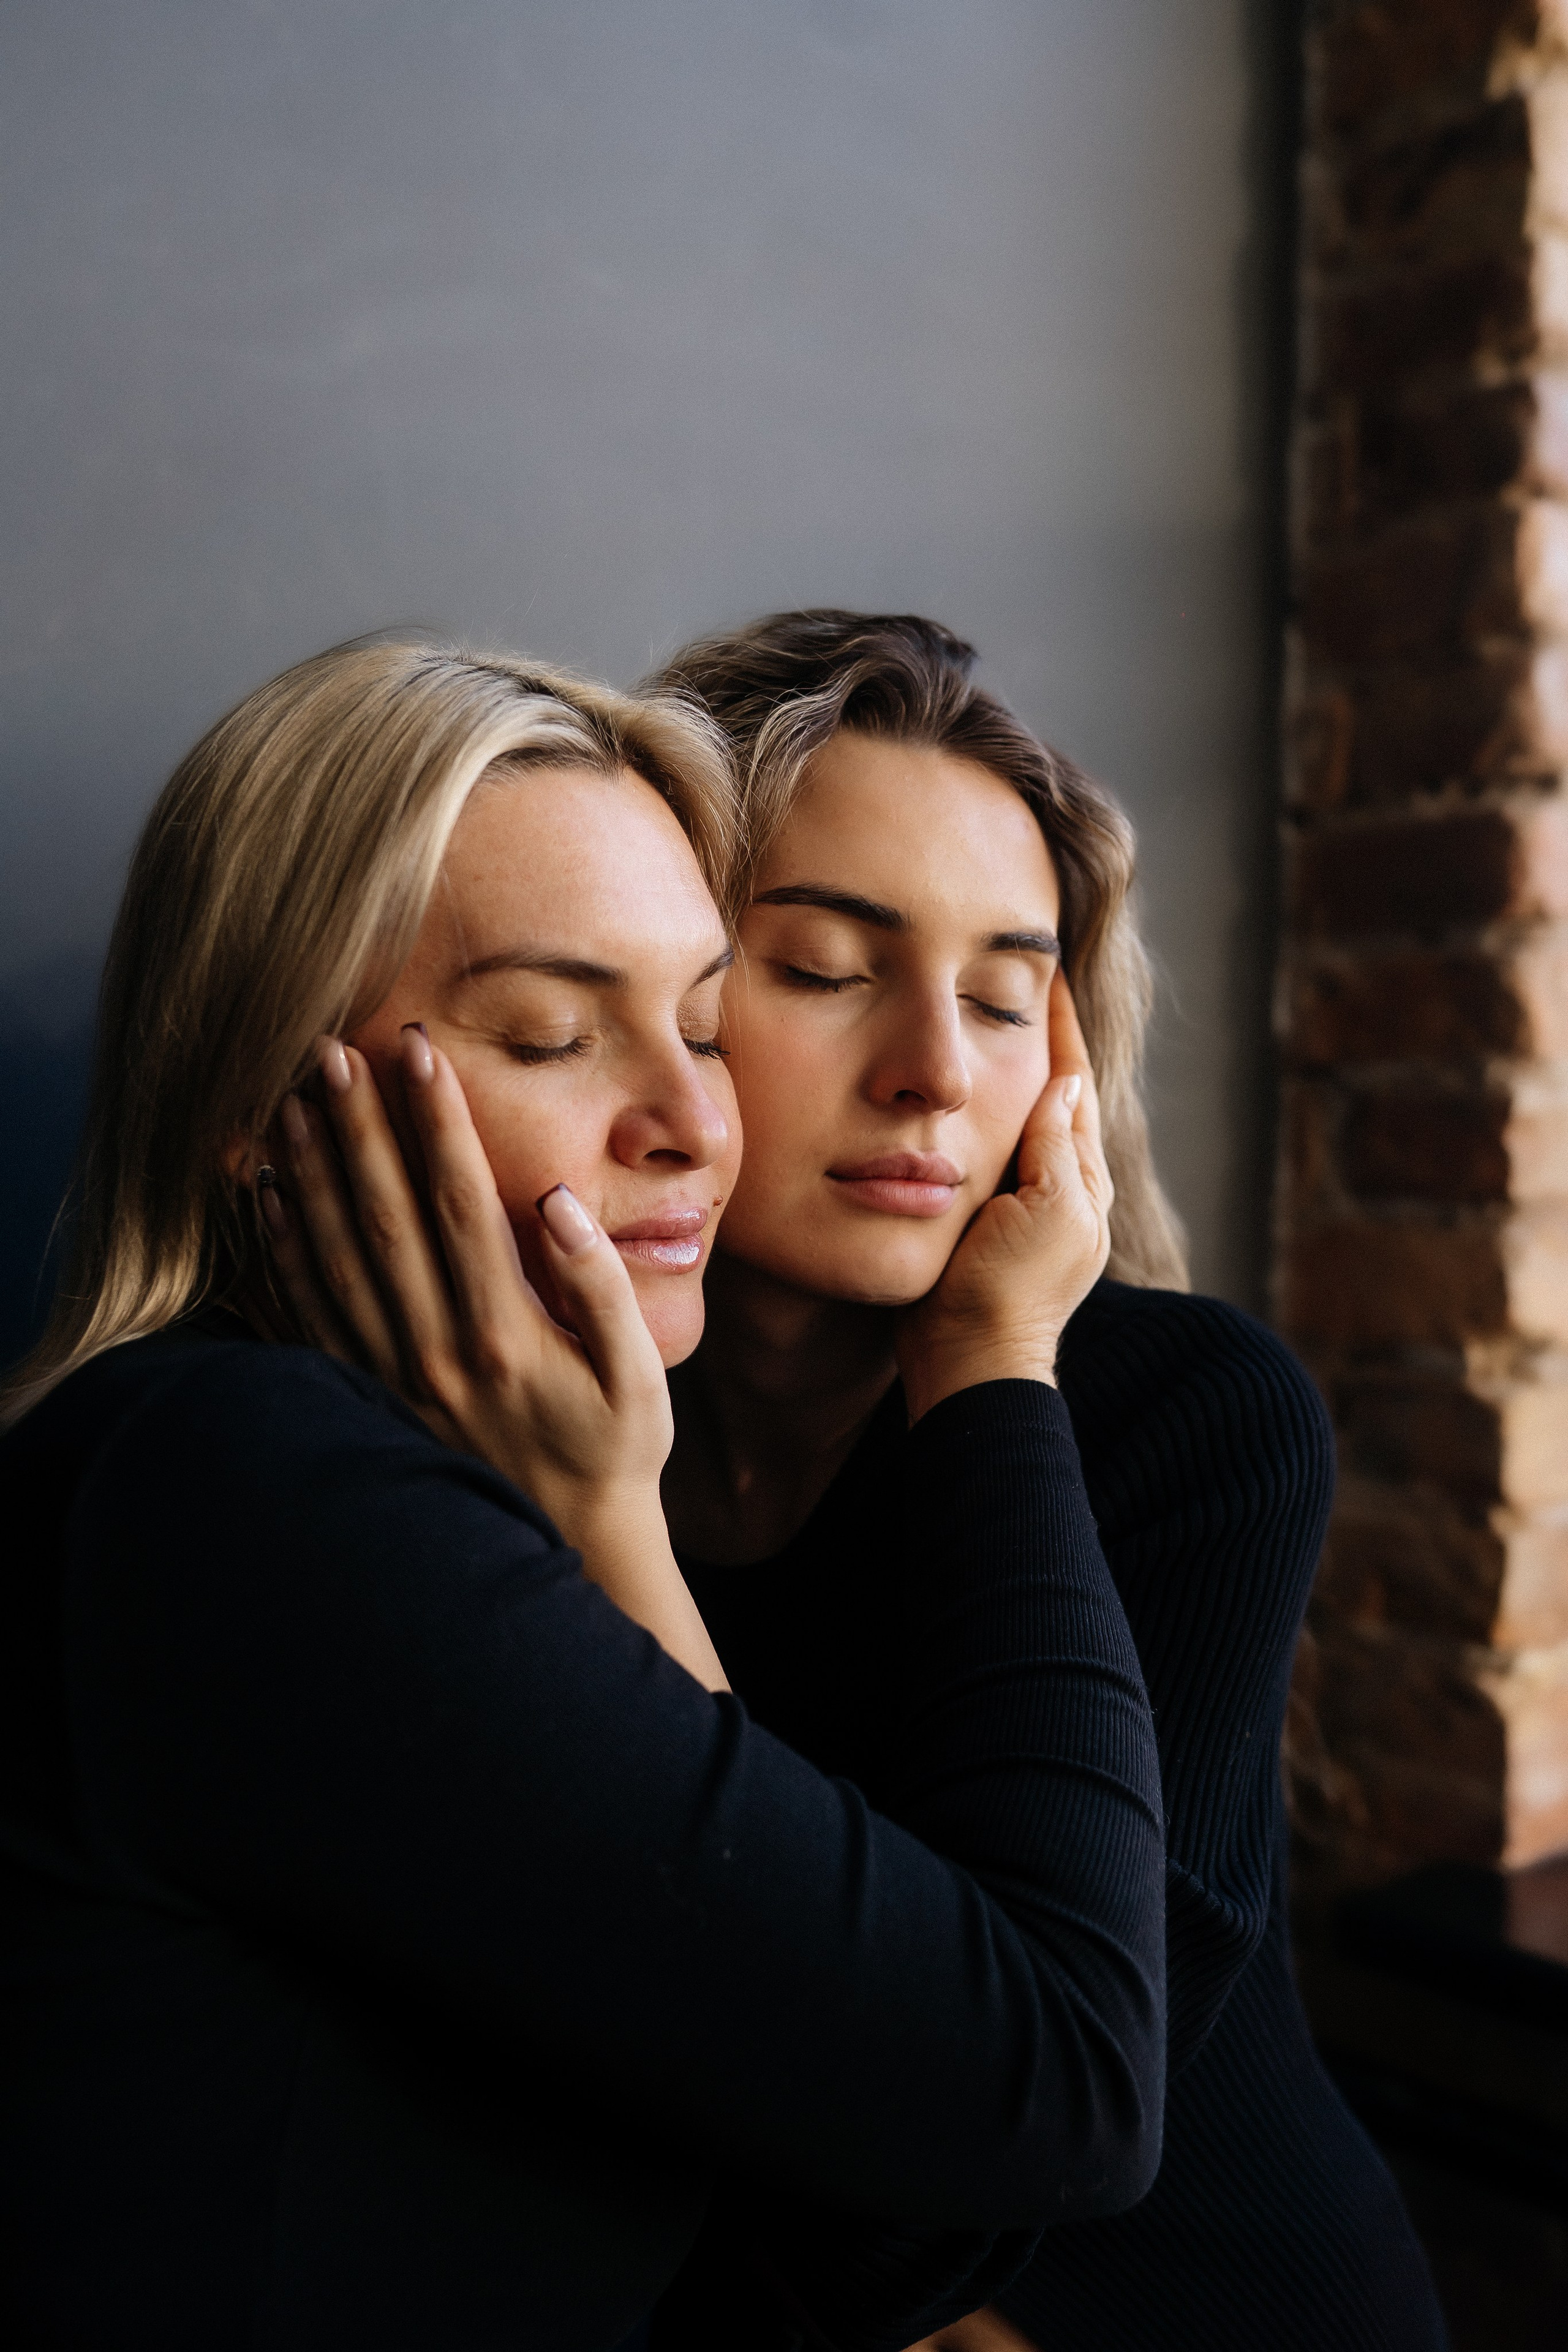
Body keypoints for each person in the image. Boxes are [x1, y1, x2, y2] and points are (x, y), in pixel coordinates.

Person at [0, 637, 1169, 2352]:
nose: (694, 1120)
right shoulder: (252, 1495)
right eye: (554, 1034)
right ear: (261, 1103)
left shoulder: (289, 1474)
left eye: (703, 1023)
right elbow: (1053, 2076)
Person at [640, 609, 1451, 2352]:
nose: (939, 1067)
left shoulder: (1190, 1425)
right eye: (825, 967)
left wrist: (988, 1370)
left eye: (1009, 995)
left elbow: (936, 2208)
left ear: (1065, 1069)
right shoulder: (515, 1451)